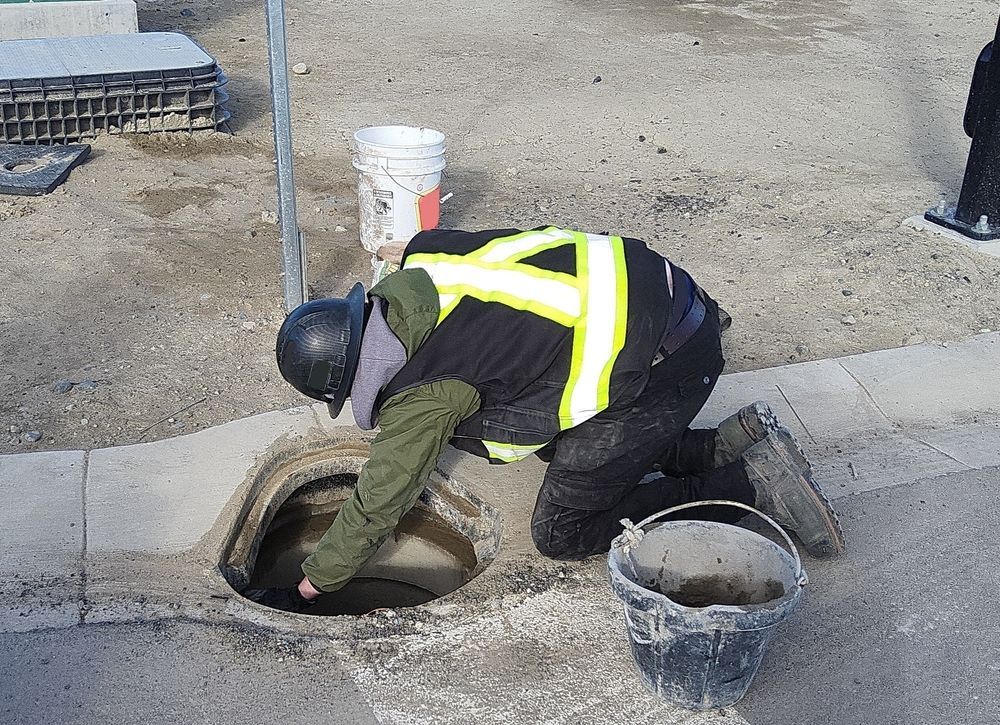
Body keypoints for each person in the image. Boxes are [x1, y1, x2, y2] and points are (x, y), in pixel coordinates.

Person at [245, 226, 844, 612]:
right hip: (676, 299)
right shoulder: (425, 267)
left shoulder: (421, 391)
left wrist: (315, 582)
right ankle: (717, 447)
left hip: (666, 365)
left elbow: (381, 496)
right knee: (559, 443)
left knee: (563, 532)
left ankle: (748, 485)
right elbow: (439, 243)